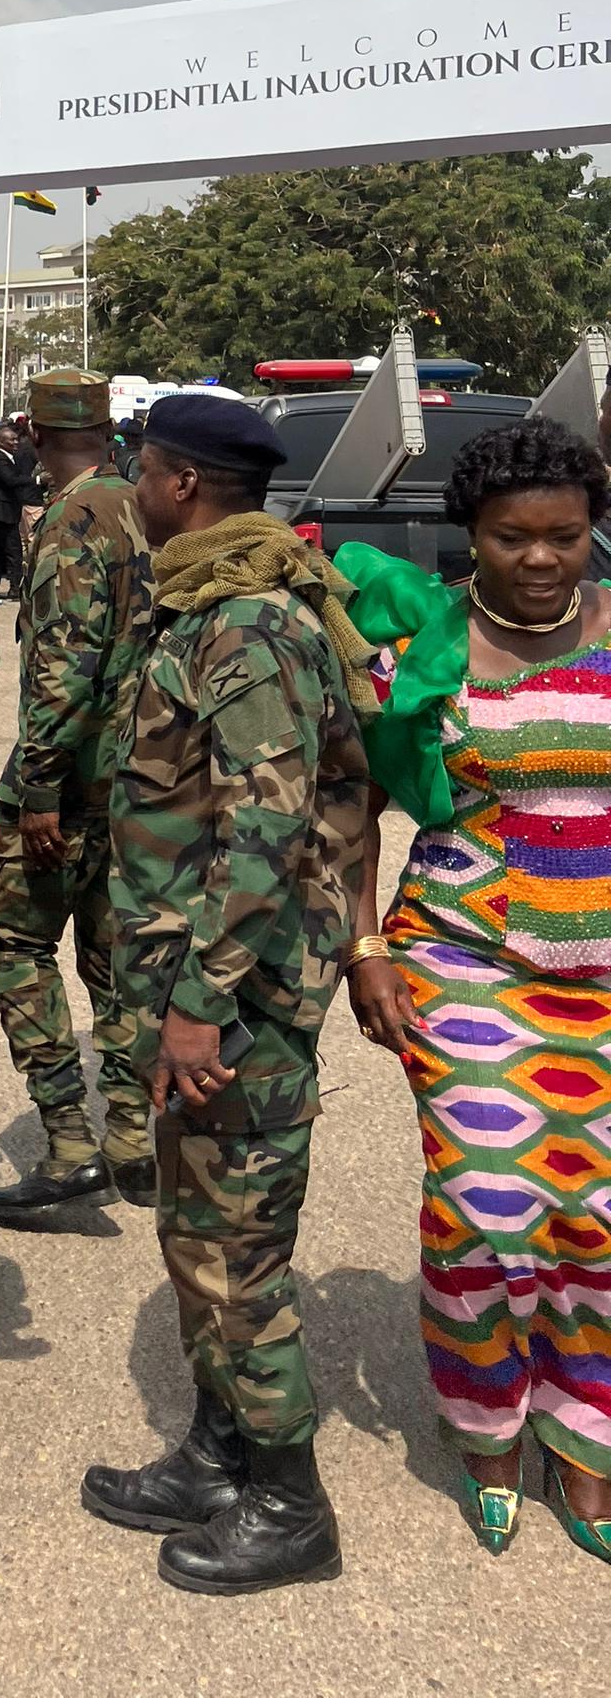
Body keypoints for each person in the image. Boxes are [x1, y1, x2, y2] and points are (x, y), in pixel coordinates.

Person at [82, 390, 369, 1596]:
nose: (134, 490)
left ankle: (291, 1505)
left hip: (236, 1002)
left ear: (183, 483)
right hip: (193, 990)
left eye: (142, 471)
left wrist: (199, 997)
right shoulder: (210, 600)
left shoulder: (247, 625)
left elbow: (267, 828)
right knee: (195, 1235)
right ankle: (218, 1454)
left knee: (238, 1256)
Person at [341, 417, 611, 1563]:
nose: (544, 559)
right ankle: (488, 1424)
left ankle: (586, 1434)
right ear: (473, 537)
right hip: (465, 956)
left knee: (598, 1220)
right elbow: (353, 804)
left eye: (567, 536)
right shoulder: (423, 649)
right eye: (515, 538)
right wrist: (364, 947)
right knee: (489, 1201)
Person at [0, 371, 156, 1223]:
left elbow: (64, 661)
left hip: (68, 783)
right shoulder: (141, 505)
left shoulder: (73, 519)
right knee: (113, 959)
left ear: (37, 437)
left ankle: (70, 1145)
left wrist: (41, 785)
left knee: (15, 945)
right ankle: (131, 1134)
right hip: (134, 780)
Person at [0, 424, 34, 605]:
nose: (16, 442)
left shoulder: (10, 458)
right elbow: (10, 481)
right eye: (12, 440)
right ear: (2, 442)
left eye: (17, 439)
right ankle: (14, 587)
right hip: (0, 511)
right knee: (12, 550)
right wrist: (38, 480)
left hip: (6, 510)